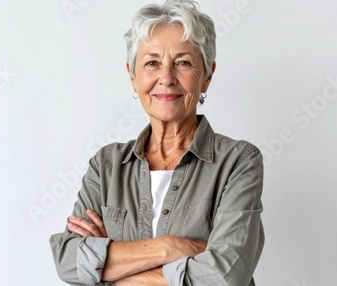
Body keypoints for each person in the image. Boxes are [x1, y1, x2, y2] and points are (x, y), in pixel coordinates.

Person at [49, 0, 264, 285]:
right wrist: (171, 247)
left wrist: (111, 268)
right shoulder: (106, 166)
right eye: (152, 63)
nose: (166, 78)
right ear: (133, 77)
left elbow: (224, 274)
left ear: (207, 76)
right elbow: (68, 261)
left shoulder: (238, 161)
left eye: (183, 63)